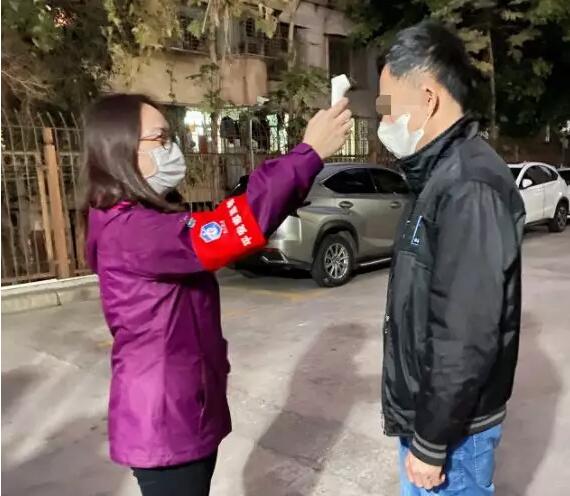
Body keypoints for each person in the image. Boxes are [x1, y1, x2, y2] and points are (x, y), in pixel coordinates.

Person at [82, 93, 352, 496]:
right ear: (119, 149)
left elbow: (230, 223)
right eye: (160, 138)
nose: (172, 148)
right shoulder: (133, 231)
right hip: (165, 421)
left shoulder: (140, 219)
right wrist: (308, 153)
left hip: (181, 408)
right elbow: (235, 226)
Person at [377, 21, 526, 495]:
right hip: (430, 418)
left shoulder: (468, 185)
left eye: (387, 106)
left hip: (452, 436)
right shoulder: (438, 177)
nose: (384, 120)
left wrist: (431, 441)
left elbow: (465, 330)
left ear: (428, 98)